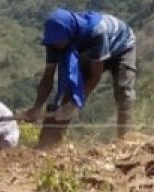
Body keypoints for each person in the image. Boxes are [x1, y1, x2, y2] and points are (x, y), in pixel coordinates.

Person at [19, 9, 137, 146]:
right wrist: (37, 107)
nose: (56, 46)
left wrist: (73, 105)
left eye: (59, 43)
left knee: (123, 91)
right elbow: (48, 78)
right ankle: (48, 145)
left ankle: (124, 140)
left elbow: (94, 77)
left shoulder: (96, 33)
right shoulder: (54, 42)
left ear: (69, 34)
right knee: (69, 92)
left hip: (121, 47)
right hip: (88, 52)